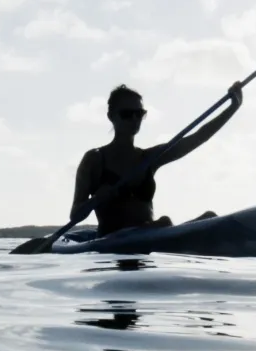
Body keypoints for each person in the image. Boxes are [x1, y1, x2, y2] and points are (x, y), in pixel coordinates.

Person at [70, 82, 244, 236]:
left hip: (148, 237)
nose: (134, 119)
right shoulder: (94, 159)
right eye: (127, 114)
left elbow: (197, 137)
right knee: (165, 222)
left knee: (209, 217)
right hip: (111, 243)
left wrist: (233, 107)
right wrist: (95, 200)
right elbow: (75, 215)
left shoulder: (148, 158)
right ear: (111, 116)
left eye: (139, 113)